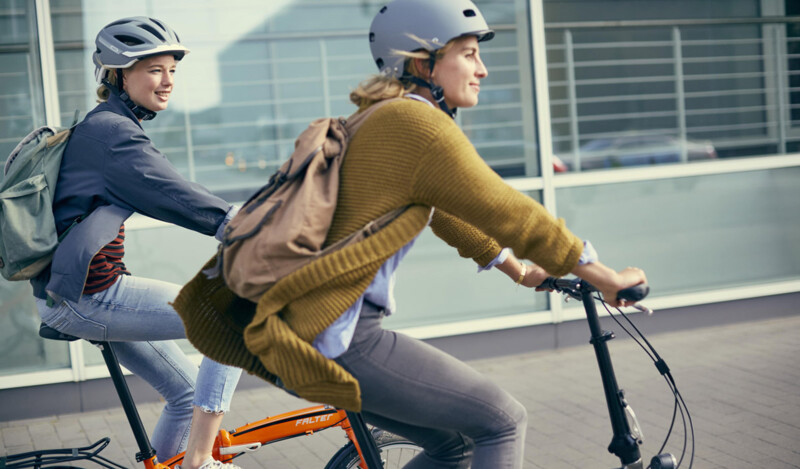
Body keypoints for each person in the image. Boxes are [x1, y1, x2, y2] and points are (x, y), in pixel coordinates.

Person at [174, 0, 647, 467]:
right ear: (424, 60)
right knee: (502, 420)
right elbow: (513, 214)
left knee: (453, 446)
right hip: (339, 341)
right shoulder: (415, 121)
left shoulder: (379, 117)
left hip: (293, 338)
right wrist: (607, 276)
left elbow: (444, 212)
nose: (481, 69)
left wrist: (518, 270)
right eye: (467, 53)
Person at [30, 17, 242, 469]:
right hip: (89, 298)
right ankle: (199, 460)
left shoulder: (106, 125)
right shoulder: (113, 133)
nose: (167, 82)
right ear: (120, 75)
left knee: (187, 394)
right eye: (153, 70)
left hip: (80, 295)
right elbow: (174, 194)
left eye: (172, 70)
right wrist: (241, 227)